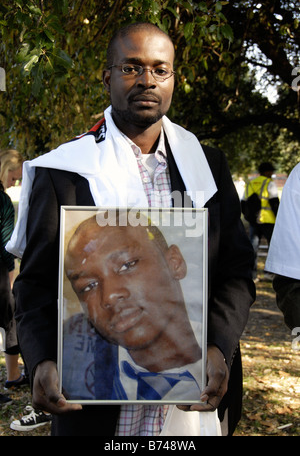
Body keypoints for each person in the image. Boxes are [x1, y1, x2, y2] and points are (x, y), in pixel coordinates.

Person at [7, 22, 255, 436]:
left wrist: (217, 347)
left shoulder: (207, 167)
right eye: (131, 68)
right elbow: (32, 284)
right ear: (107, 77)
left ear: (174, 77)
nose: (147, 80)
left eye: (161, 69)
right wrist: (43, 360)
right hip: (97, 413)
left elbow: (236, 272)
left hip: (193, 399)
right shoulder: (64, 171)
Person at [63, 213, 202, 401]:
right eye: (88, 286)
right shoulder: (77, 379)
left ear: (174, 263)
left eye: (127, 265)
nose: (109, 296)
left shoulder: (218, 351)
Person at [0, 149, 26, 407]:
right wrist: (11, 278)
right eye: (14, 177)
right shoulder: (3, 202)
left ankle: (13, 375)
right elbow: (5, 244)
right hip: (0, 269)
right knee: (10, 322)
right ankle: (13, 375)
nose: (14, 183)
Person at [265, 163, 300, 330]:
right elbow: (289, 281)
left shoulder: (255, 182)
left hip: (258, 219)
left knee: (255, 243)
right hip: (269, 220)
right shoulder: (270, 184)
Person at [242, 162, 279, 280]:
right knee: (272, 248)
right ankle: (269, 273)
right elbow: (275, 204)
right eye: (271, 171)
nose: (272, 173)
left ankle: (252, 275)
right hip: (268, 220)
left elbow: (243, 202)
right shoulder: (269, 183)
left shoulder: (251, 183)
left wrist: (249, 217)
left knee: (253, 247)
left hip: (254, 221)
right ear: (266, 172)